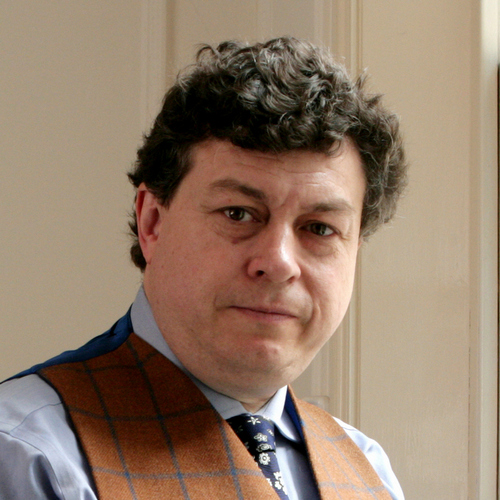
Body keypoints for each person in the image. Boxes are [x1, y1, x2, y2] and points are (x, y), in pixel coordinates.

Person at [0, 37, 407, 499]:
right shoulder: (25, 456)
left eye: (319, 228)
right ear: (152, 222)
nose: (278, 263)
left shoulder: (370, 470)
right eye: (238, 213)